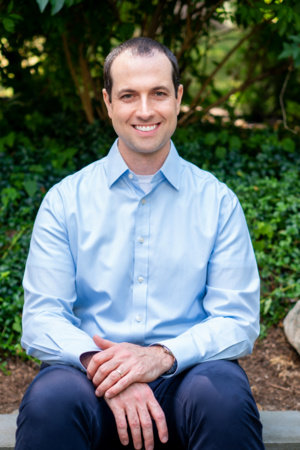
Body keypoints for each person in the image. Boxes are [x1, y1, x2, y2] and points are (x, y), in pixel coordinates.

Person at [16, 37, 264, 450]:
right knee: (50, 401)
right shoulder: (65, 200)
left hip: (189, 374)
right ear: (108, 102)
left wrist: (161, 356)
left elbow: (237, 320)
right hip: (88, 379)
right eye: (129, 95)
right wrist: (108, 369)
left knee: (224, 399)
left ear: (179, 98)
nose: (145, 110)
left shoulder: (217, 202)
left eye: (159, 94)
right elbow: (41, 318)